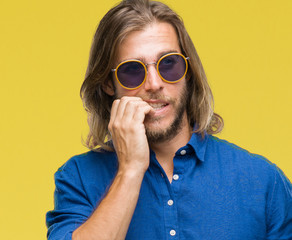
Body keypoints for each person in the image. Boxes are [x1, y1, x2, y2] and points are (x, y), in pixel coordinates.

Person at [46, 0, 292, 239]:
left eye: (169, 64)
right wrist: (130, 170)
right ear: (108, 84)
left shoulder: (263, 181)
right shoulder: (78, 178)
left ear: (188, 71)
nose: (154, 84)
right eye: (132, 70)